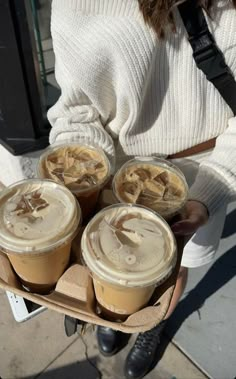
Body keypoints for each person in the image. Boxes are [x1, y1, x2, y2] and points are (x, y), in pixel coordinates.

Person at [1, 1, 235, 378]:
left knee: (171, 270)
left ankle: (149, 322)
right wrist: (80, 169)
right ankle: (111, 315)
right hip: (115, 178)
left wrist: (213, 187)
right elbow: (78, 109)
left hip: (201, 176)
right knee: (109, 262)